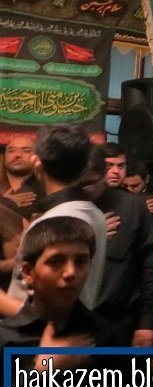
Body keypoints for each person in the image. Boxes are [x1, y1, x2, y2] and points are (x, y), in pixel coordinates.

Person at [0, 216, 116, 387]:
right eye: (55, 261)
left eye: (80, 261)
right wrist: (39, 373)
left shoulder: (102, 334)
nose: (71, 272)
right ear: (28, 272)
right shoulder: (5, 336)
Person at [4, 124, 107, 315]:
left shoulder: (53, 222)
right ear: (85, 168)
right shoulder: (95, 213)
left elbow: (35, 314)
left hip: (41, 333)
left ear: (36, 163)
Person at [82, 146, 153, 347]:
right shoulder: (67, 204)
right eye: (109, 166)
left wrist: (147, 321)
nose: (115, 171)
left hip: (120, 319)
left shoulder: (133, 206)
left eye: (120, 166)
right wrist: (92, 233)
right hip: (72, 318)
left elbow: (150, 264)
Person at [1, 136, 45, 220]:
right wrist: (5, 202)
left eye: (26, 151)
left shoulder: (47, 189)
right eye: (11, 151)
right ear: (5, 157)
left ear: (37, 157)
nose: (17, 155)